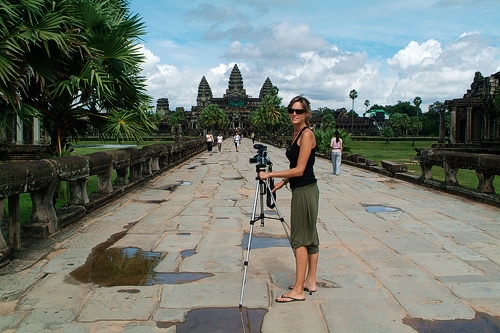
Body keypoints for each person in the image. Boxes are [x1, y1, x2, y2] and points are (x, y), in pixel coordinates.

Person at [258, 95, 319, 303]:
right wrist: (283, 183)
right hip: (303, 188)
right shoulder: (297, 133)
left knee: (300, 239)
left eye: (299, 111)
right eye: (291, 110)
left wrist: (269, 175)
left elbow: (301, 169)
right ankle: (310, 281)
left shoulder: (307, 134)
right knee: (309, 236)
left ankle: (298, 290)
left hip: (305, 191)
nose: (294, 114)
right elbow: (301, 167)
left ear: (307, 114)